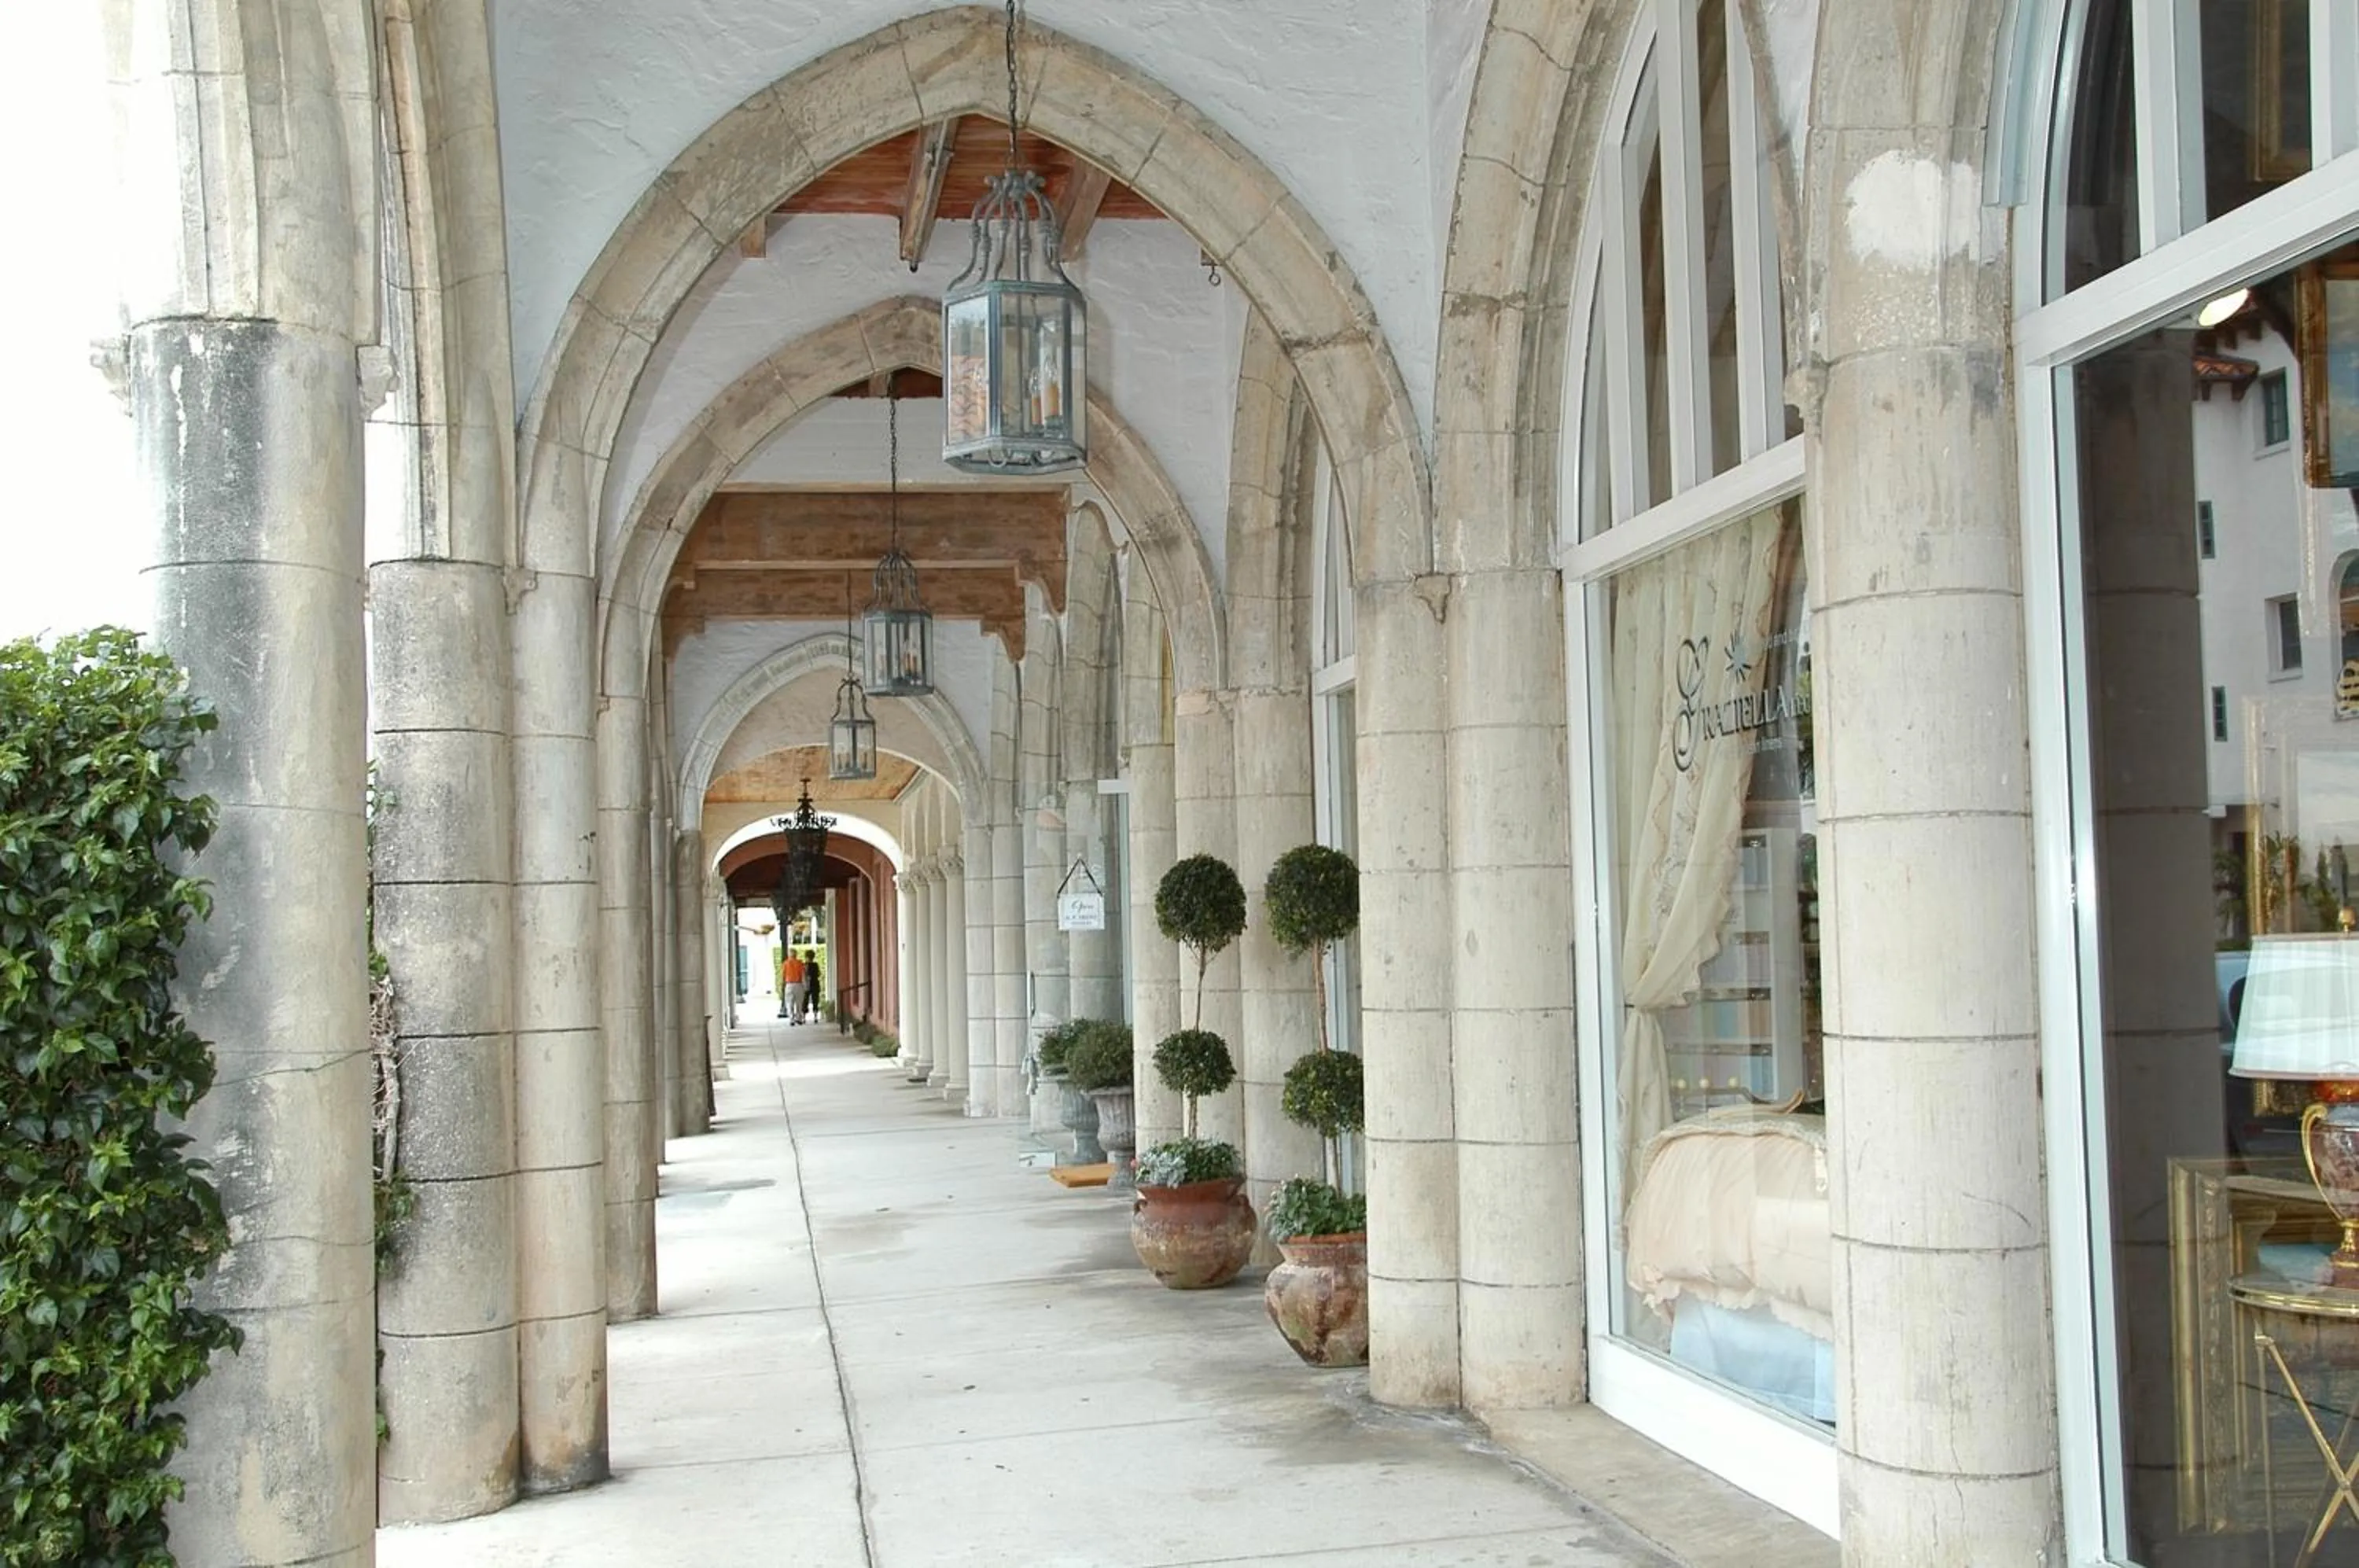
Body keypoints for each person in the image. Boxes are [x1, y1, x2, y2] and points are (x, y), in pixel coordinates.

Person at [780, 952, 806, 1022]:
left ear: (789, 955)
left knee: (789, 1002)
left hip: (789, 985)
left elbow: (783, 975)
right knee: (799, 1003)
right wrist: (805, 986)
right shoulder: (800, 963)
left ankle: (791, 1018)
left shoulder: (785, 963)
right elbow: (803, 975)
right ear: (796, 955)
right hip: (798, 985)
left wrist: (783, 984)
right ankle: (798, 1018)